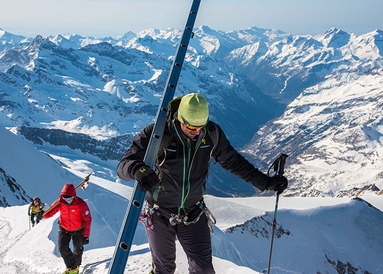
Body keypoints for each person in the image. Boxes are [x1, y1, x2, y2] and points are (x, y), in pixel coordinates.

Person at [117, 93, 288, 274]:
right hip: (159, 212)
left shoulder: (211, 134)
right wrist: (139, 170)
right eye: (191, 127)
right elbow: (123, 165)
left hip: (193, 213)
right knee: (163, 269)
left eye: (200, 126)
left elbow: (233, 162)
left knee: (204, 269)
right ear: (180, 118)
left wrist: (266, 182)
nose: (196, 131)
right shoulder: (158, 133)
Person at [43, 184, 92, 274]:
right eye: (65, 198)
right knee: (62, 248)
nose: (68, 200)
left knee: (77, 249)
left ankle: (76, 266)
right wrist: (44, 212)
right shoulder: (60, 202)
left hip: (78, 229)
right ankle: (72, 268)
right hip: (64, 228)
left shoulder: (81, 204)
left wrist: (86, 236)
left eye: (70, 198)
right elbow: (47, 214)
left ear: (74, 196)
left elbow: (88, 219)